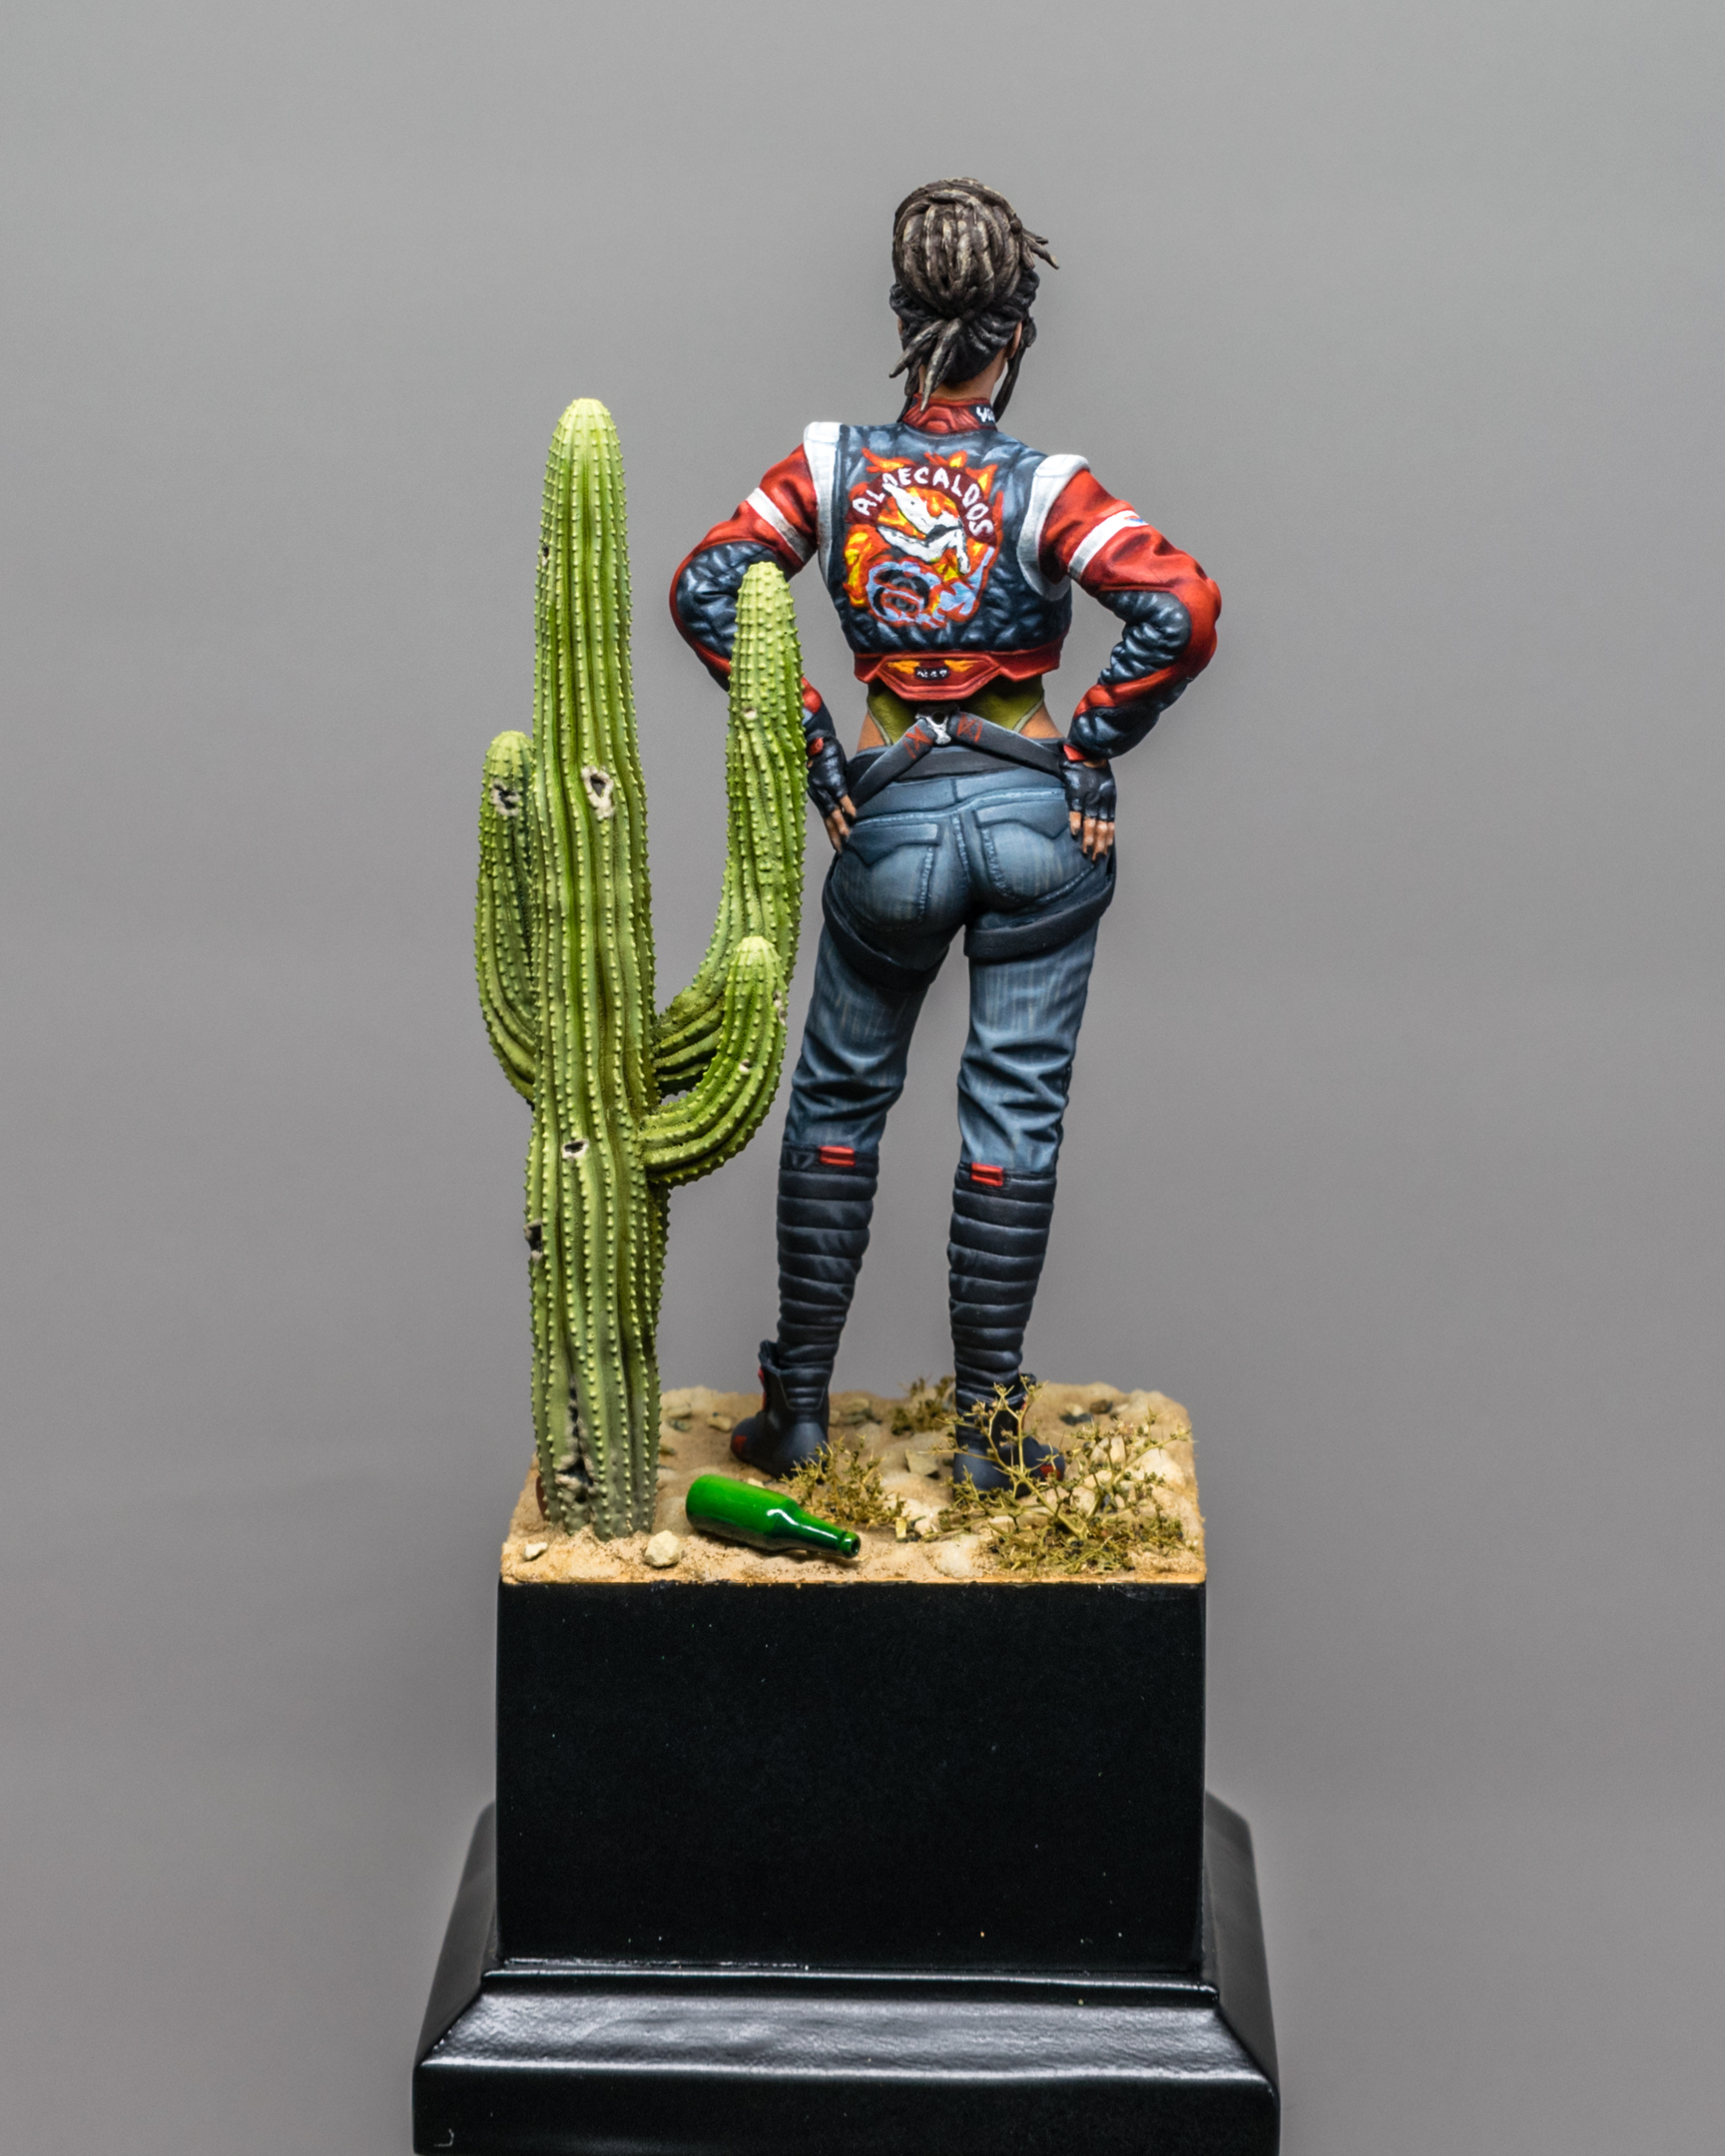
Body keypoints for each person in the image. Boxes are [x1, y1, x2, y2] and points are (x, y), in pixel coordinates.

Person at [670, 179, 1220, 1488]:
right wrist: (1092, 743)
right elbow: (1183, 610)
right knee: (1012, 1115)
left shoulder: (831, 467)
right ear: (1014, 335)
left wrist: (814, 742)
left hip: (892, 823)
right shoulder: (1047, 489)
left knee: (837, 1101)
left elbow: (707, 586)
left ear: (902, 320)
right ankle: (988, 1436)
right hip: (1036, 821)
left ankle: (798, 1411)